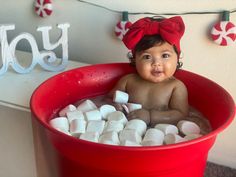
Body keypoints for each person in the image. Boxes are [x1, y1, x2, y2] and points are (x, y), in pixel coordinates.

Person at [109, 16, 189, 127]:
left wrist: (151, 116)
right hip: (125, 128)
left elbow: (180, 115)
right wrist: (115, 106)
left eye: (165, 55)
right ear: (134, 60)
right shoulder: (128, 81)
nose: (156, 63)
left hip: (162, 133)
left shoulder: (176, 87)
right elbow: (108, 99)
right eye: (147, 57)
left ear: (177, 58)